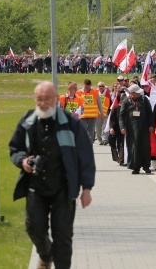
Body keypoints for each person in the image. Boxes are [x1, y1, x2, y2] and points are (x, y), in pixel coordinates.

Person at [9, 81, 95, 269]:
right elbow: (15, 148)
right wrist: (23, 161)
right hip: (36, 187)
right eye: (39, 99)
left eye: (47, 98)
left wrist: (86, 188)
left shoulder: (71, 123)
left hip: (63, 188)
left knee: (63, 237)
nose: (42, 103)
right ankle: (46, 255)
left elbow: (85, 156)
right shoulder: (28, 120)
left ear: (56, 99)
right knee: (34, 228)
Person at [119, 84, 154, 174]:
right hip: (131, 129)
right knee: (133, 147)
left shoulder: (144, 100)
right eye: (136, 93)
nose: (139, 94)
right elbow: (121, 115)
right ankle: (135, 167)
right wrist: (122, 127)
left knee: (145, 147)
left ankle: (146, 166)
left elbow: (150, 113)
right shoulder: (126, 101)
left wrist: (151, 125)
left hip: (144, 128)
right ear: (131, 93)